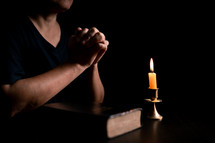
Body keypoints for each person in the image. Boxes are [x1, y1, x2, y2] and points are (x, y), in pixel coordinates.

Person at [0, 0, 109, 118]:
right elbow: (11, 103)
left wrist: (93, 61)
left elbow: (96, 103)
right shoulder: (11, 30)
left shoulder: (75, 35)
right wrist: (77, 64)